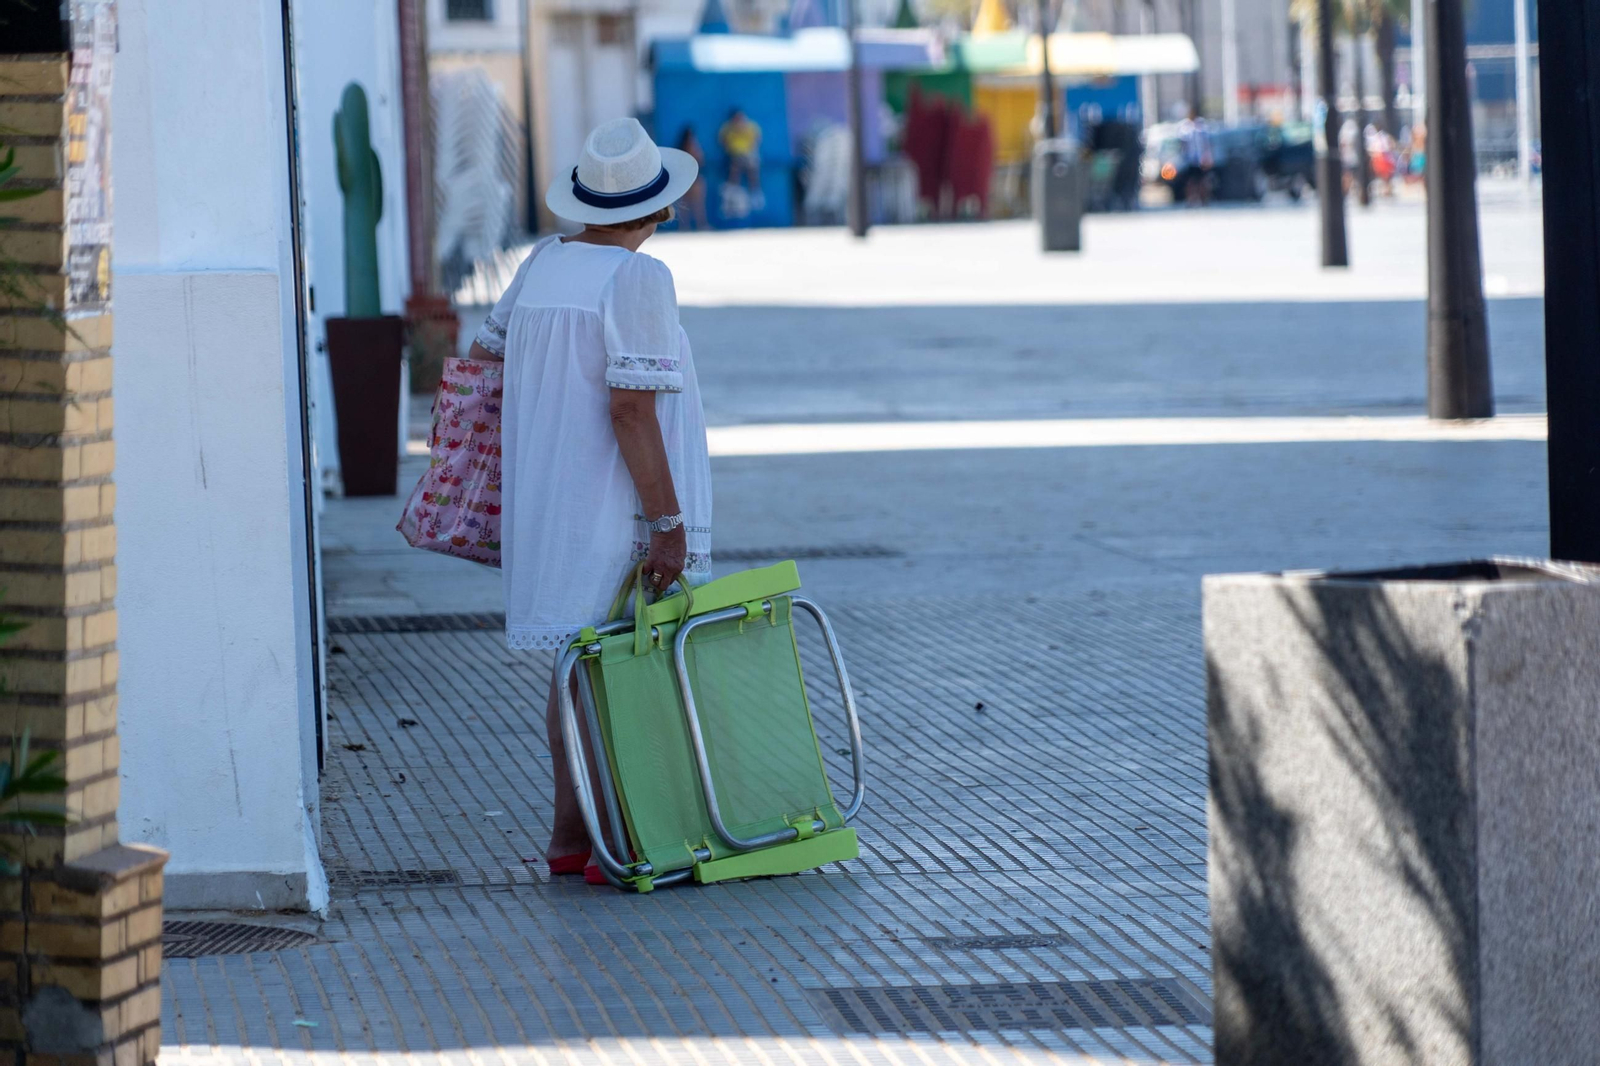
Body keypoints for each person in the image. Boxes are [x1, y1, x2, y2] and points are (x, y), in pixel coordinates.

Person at [465, 117, 711, 884]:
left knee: (576, 666)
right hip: (613, 506)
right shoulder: (636, 279)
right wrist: (667, 525)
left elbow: (484, 356)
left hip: (548, 501)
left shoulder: (543, 264)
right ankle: (621, 840)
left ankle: (573, 835)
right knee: (622, 664)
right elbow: (632, 411)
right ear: (653, 211)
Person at [718, 107, 763, 208]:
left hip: (749, 155)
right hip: (734, 155)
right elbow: (723, 142)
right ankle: (733, 192)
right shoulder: (727, 128)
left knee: (753, 166)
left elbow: (757, 141)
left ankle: (755, 192)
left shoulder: (751, 126)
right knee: (735, 167)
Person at [675, 127, 710, 230]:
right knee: (697, 205)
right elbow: (700, 159)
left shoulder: (679, 148)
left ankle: (684, 226)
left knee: (685, 205)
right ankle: (700, 224)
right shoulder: (692, 146)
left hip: (684, 178)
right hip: (693, 178)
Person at [1177, 108, 1213, 206]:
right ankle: (1190, 200)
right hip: (1190, 159)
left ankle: (1204, 200)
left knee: (1203, 181)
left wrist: (1207, 156)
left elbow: (1207, 143)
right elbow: (1182, 142)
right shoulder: (1185, 127)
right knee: (1190, 182)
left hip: (1201, 159)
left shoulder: (1202, 127)